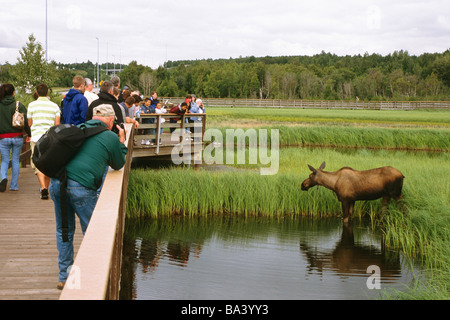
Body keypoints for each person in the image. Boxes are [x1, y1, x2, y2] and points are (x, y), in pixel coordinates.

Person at [49, 104, 128, 290]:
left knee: (64, 231)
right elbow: (118, 163)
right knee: (92, 233)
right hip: (80, 188)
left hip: (57, 184)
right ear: (110, 120)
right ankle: (93, 276)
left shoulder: (78, 129)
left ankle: (64, 277)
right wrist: (121, 141)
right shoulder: (109, 136)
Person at [27, 83, 61, 199]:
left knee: (37, 162)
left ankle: (43, 188)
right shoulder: (54, 106)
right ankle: (46, 187)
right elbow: (57, 124)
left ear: (36, 93)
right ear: (47, 93)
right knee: (48, 162)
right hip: (50, 138)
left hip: (36, 137)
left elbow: (30, 123)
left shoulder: (31, 106)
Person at [0, 84, 31, 192]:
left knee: (4, 161)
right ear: (13, 93)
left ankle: (3, 178)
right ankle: (13, 185)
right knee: (15, 160)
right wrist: (29, 134)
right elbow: (26, 122)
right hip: (17, 136)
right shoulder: (18, 104)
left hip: (3, 138)